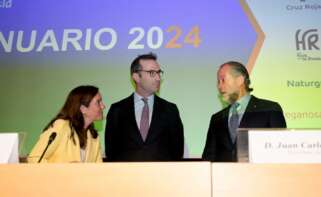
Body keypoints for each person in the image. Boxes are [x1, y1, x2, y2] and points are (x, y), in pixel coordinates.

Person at [105, 53, 184, 161]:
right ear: (136, 76)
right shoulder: (117, 110)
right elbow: (111, 151)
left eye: (159, 73)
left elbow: (177, 151)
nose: (158, 78)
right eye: (152, 73)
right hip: (126, 176)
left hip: (161, 176)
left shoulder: (170, 110)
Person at [202, 61, 286, 162]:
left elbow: (280, 152)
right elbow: (208, 157)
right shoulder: (217, 118)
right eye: (218, 82)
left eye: (223, 80)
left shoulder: (270, 110)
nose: (219, 87)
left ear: (240, 80)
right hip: (224, 177)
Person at [28, 85, 105, 163]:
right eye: (98, 102)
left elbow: (98, 168)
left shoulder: (93, 135)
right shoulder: (61, 125)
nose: (103, 106)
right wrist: (62, 171)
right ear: (83, 109)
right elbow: (34, 158)